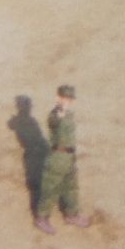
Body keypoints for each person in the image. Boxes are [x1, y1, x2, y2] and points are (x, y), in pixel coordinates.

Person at [34, 85, 90, 233]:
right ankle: (42, 217)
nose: (68, 101)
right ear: (58, 98)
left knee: (71, 187)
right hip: (58, 157)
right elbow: (53, 122)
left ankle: (72, 214)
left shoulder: (69, 114)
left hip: (70, 156)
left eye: (70, 99)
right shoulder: (55, 114)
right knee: (51, 188)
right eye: (65, 98)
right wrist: (61, 110)